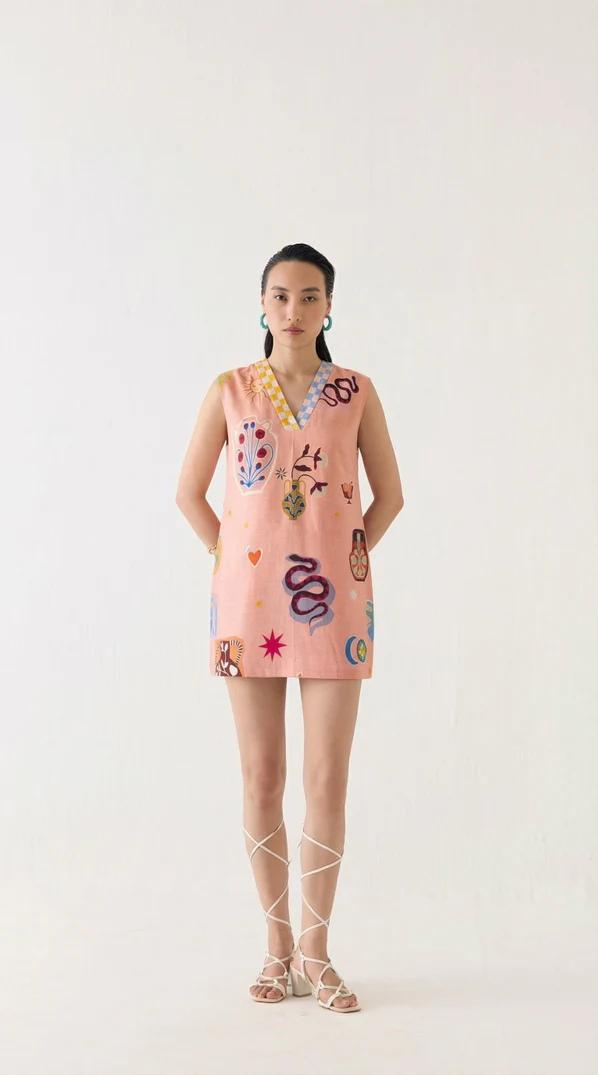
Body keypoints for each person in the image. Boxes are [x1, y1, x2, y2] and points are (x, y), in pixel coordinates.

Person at [175, 243, 404, 1013]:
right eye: (280, 295)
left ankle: (318, 950)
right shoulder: (230, 389)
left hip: (336, 607)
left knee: (326, 778)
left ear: (329, 306)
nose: (294, 310)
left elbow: (390, 495)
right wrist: (233, 560)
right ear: (261, 303)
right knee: (262, 776)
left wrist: (347, 556)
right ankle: (277, 948)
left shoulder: (356, 391)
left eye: (310, 296)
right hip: (248, 609)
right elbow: (189, 492)